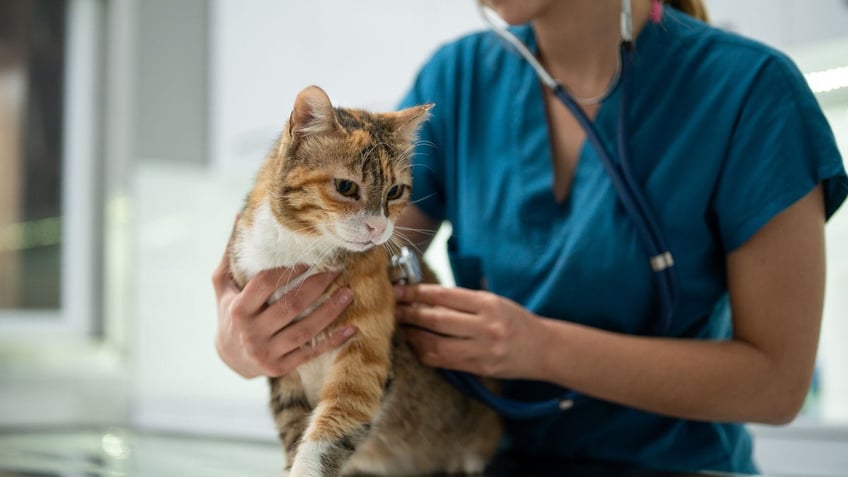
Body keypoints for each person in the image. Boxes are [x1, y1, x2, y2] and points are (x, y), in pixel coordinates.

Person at [212, 0, 848, 473]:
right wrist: (244, 338)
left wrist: (537, 348)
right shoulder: (459, 78)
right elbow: (356, 258)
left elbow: (777, 384)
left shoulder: (752, 93)